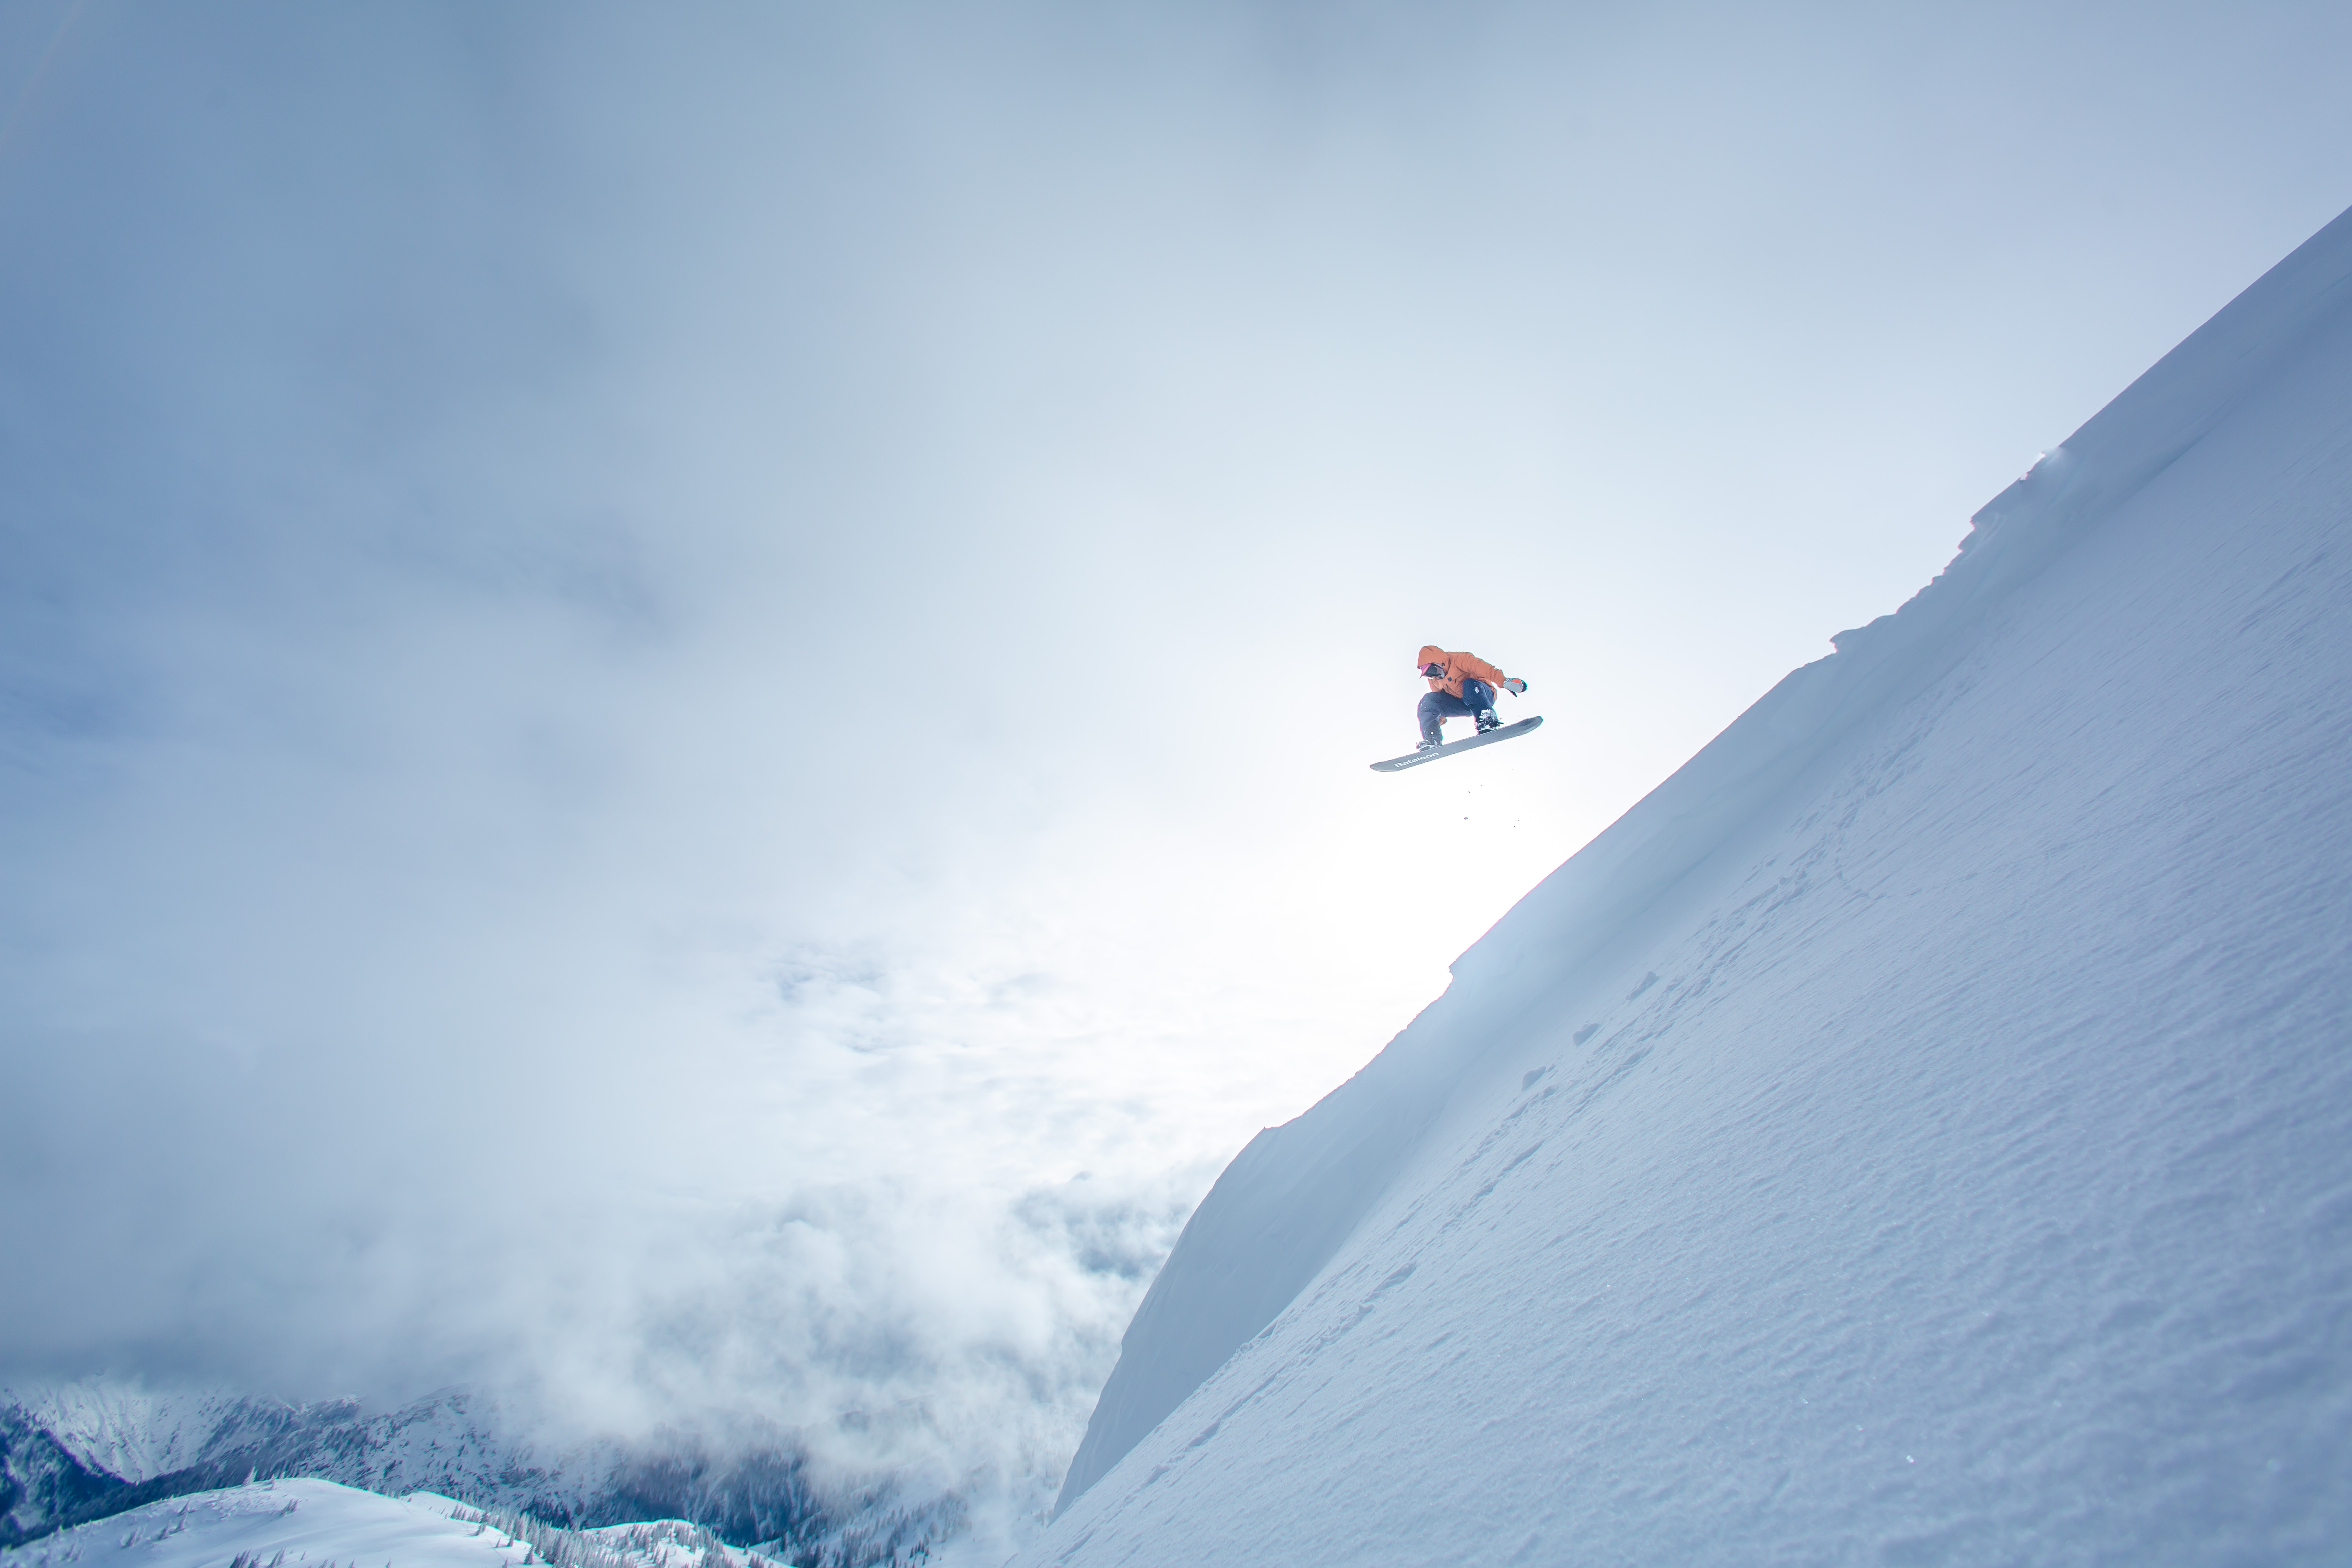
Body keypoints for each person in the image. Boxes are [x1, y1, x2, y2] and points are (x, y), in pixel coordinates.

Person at [1414, 644, 1528, 753]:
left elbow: (1486, 670)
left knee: (1468, 684)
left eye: (1433, 671)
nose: (1433, 676)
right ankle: (1432, 739)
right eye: (1428, 675)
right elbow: (1437, 701)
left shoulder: (1460, 660)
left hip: (1482, 696)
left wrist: (1504, 681)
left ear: (1440, 663)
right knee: (1428, 700)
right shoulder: (1435, 679)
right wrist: (1437, 723)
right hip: (1462, 704)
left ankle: (1486, 720)